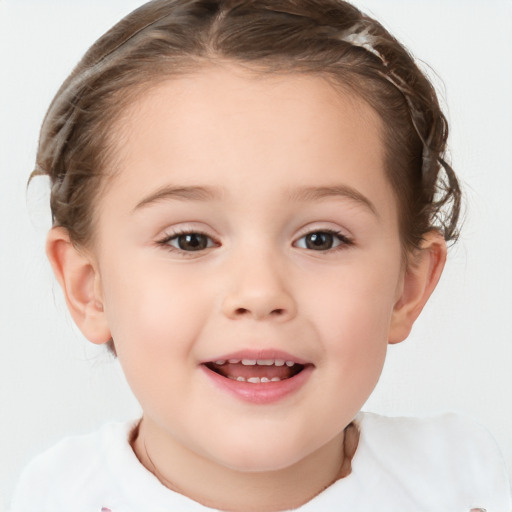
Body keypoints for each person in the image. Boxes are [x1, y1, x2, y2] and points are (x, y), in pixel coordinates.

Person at [10, 0, 511, 510]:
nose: (259, 293)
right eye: (190, 240)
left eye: (321, 239)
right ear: (88, 287)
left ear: (408, 286)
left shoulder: (462, 485)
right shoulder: (54, 497)